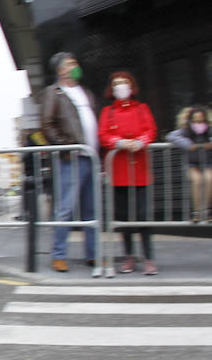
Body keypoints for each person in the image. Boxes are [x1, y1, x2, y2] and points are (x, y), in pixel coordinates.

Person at [40, 52, 99, 272]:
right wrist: (68, 145)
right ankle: (59, 255)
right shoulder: (54, 93)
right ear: (60, 70)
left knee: (91, 210)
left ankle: (93, 254)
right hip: (72, 158)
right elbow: (47, 124)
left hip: (91, 158)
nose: (75, 67)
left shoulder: (86, 93)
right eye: (70, 64)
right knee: (65, 208)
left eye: (76, 62)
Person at [99, 72, 157, 275]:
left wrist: (141, 141)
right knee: (123, 218)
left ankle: (149, 258)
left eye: (124, 82)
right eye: (116, 83)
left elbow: (151, 129)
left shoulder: (142, 108)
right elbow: (103, 134)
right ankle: (129, 257)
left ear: (132, 86)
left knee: (143, 217)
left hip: (140, 169)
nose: (121, 86)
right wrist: (120, 142)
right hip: (119, 170)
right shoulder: (108, 112)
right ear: (111, 89)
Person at [167, 106, 212, 222]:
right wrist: (188, 144)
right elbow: (171, 136)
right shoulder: (186, 131)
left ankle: (207, 211)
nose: (199, 124)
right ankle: (196, 212)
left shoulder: (209, 130)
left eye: (201, 121)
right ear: (190, 121)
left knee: (209, 179)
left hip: (208, 163)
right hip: (192, 163)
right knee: (196, 181)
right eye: (196, 121)